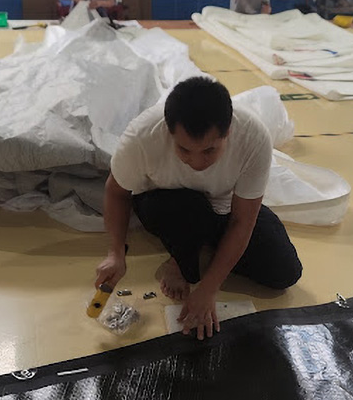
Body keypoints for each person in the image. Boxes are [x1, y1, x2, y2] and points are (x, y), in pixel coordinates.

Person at [95, 77, 302, 340]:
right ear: (169, 131)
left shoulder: (253, 137)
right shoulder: (142, 136)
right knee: (189, 211)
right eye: (184, 150)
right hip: (166, 204)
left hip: (223, 205)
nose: (196, 162)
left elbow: (242, 220)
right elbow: (116, 191)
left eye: (209, 151)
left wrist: (209, 288)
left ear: (228, 131)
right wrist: (116, 253)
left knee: (285, 271)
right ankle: (179, 261)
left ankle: (201, 249)